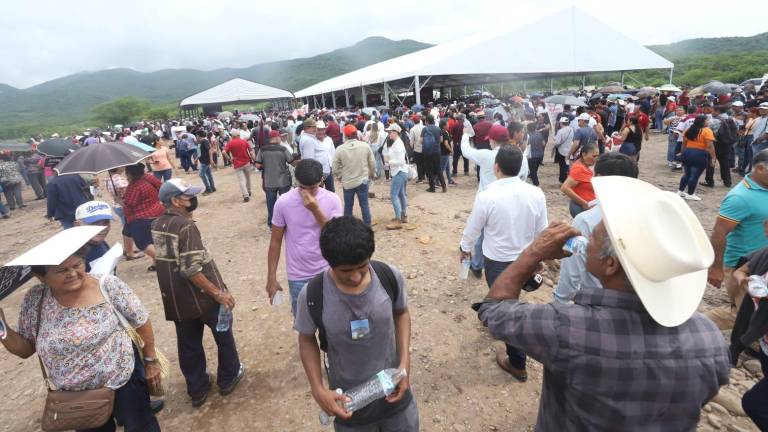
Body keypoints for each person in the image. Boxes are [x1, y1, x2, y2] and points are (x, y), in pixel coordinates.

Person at [474, 177, 730, 431]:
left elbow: (494, 310)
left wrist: (534, 252)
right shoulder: (709, 338)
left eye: (593, 237)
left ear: (611, 264)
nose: (586, 241)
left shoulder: (568, 328)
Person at [0, 233, 163, 431]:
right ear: (41, 277)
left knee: (141, 426)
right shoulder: (35, 299)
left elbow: (141, 321)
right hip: (76, 396)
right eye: (62, 271)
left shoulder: (107, 286)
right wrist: (2, 326)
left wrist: (151, 361)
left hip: (124, 381)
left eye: (77, 265)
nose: (73, 273)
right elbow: (25, 349)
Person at [294, 216, 418, 431]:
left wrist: (404, 363)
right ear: (329, 263)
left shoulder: (389, 277)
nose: (355, 277)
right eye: (345, 271)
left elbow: (402, 313)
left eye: (362, 267)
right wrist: (318, 388)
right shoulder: (313, 295)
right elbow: (306, 338)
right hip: (349, 405)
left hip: (395, 397)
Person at [151, 178, 244, 407]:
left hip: (177, 300)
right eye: (188, 196)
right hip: (204, 299)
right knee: (223, 335)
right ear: (175, 201)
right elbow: (191, 269)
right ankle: (228, 377)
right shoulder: (186, 226)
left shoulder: (157, 223)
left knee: (188, 345)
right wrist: (218, 293)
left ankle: (197, 388)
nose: (193, 199)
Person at [460, 145, 547, 381]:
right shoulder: (536, 193)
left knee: (508, 308)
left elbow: (473, 228)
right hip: (525, 259)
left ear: (496, 167)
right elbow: (542, 231)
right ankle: (498, 319)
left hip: (498, 261)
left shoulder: (487, 195)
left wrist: (465, 248)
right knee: (510, 300)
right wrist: (538, 258)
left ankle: (517, 362)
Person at [554, 153, 639, 303]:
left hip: (598, 301)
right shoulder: (643, 216)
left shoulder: (584, 221)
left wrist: (559, 300)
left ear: (598, 178)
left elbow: (572, 270)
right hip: (638, 301)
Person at [266, 159, 343, 315]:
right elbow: (275, 241)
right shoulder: (283, 202)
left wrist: (315, 210)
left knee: (332, 318)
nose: (306, 193)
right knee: (303, 321)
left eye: (312, 188)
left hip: (328, 270)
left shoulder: (332, 199)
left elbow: (335, 235)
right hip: (298, 275)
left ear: (321, 180)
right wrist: (271, 277)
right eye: (302, 187)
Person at [706, 149, 768, 330]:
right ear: (760, 169)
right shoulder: (740, 197)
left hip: (764, 261)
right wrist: (716, 267)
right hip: (743, 266)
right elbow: (719, 233)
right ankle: (694, 325)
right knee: (743, 315)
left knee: (756, 313)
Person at [734, 223, 768, 429]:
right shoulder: (765, 253)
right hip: (765, 343)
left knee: (753, 403)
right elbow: (740, 270)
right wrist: (743, 281)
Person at [332, 125, 376, 225]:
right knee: (364, 205)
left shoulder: (340, 149)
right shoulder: (365, 146)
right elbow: (372, 163)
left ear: (345, 135)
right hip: (363, 181)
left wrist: (339, 176)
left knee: (348, 206)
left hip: (348, 182)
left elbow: (334, 167)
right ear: (356, 134)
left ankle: (348, 228)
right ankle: (367, 227)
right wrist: (371, 174)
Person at [122, 163, 163, 270]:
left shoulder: (134, 186)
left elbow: (129, 204)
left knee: (143, 243)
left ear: (130, 174)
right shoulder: (149, 178)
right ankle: (156, 264)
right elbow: (160, 186)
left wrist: (120, 199)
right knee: (153, 240)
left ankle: (164, 261)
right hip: (157, 211)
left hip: (141, 218)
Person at [255, 130, 296, 229]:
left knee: (271, 204)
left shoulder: (262, 150)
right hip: (283, 181)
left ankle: (271, 224)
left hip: (269, 182)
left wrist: (266, 166)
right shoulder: (283, 149)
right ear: (277, 138)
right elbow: (292, 162)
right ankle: (287, 222)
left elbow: (257, 165)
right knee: (285, 203)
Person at [676, 115, 716, 201]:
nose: (708, 122)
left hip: (687, 152)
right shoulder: (707, 131)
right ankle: (690, 194)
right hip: (699, 154)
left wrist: (682, 153)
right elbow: (710, 146)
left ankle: (680, 191)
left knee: (687, 174)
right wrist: (713, 157)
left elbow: (684, 143)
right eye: (707, 120)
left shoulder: (689, 129)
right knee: (694, 175)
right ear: (703, 122)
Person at [74, 200, 116, 273]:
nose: (102, 228)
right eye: (94, 223)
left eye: (106, 222)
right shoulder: (75, 256)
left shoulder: (99, 242)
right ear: (77, 225)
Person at [560, 142, 599, 218]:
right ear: (584, 155)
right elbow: (564, 188)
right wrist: (584, 203)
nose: (596, 158)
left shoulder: (585, 166)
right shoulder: (579, 168)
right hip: (582, 208)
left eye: (597, 156)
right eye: (594, 156)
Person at [382, 123, 409, 225]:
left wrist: (388, 161)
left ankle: (398, 219)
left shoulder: (398, 144)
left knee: (394, 195)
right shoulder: (397, 143)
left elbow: (400, 161)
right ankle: (403, 216)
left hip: (399, 171)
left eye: (390, 132)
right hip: (400, 171)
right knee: (401, 194)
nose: (388, 134)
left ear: (395, 132)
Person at [224, 130, 255, 202]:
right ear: (238, 135)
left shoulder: (230, 143)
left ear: (233, 136)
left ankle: (245, 195)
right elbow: (251, 152)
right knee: (248, 178)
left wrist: (229, 159)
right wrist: (254, 160)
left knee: (241, 180)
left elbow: (223, 152)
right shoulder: (244, 141)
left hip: (237, 164)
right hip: (246, 162)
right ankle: (249, 191)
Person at [422, 115, 446, 193]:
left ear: (427, 121)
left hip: (427, 152)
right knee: (439, 169)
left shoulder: (425, 129)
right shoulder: (438, 128)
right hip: (437, 151)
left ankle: (432, 188)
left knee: (429, 170)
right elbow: (441, 140)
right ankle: (444, 187)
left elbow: (421, 140)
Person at [553, 117, 574, 183]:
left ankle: (563, 179)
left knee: (562, 165)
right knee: (567, 164)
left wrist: (555, 139)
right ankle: (567, 177)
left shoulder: (560, 131)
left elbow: (557, 142)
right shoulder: (571, 129)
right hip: (569, 150)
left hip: (561, 151)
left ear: (561, 123)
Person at [526, 122, 546, 187]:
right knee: (535, 169)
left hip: (532, 156)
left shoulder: (527, 136)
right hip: (540, 155)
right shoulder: (539, 134)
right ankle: (532, 179)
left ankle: (536, 183)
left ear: (528, 129)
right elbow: (543, 143)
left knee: (532, 171)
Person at [408, 115, 425, 182]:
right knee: (424, 163)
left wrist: (411, 147)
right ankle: (424, 176)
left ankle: (420, 178)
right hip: (425, 148)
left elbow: (411, 141)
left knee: (419, 164)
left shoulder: (412, 129)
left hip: (417, 149)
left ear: (413, 121)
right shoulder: (424, 127)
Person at [439, 118, 455, 185]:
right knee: (442, 168)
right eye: (447, 124)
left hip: (444, 153)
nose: (448, 125)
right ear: (444, 126)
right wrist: (451, 150)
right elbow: (446, 144)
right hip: (444, 153)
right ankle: (436, 181)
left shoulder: (443, 132)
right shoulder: (444, 132)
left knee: (447, 168)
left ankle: (450, 180)